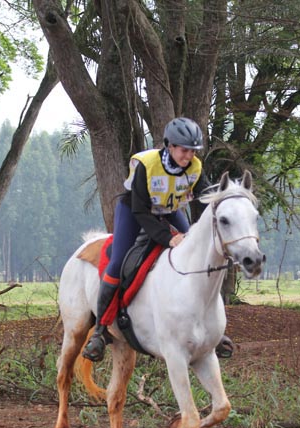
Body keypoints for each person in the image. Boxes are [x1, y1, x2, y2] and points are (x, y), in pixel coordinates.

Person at [83, 117, 234, 362]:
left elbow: (207, 198)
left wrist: (227, 202)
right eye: (184, 150)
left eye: (193, 151)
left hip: (169, 209)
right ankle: (100, 330)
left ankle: (212, 331)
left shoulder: (195, 167)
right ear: (169, 146)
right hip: (135, 210)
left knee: (195, 254)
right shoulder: (147, 165)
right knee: (118, 260)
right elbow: (141, 211)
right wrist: (167, 238)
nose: (189, 156)